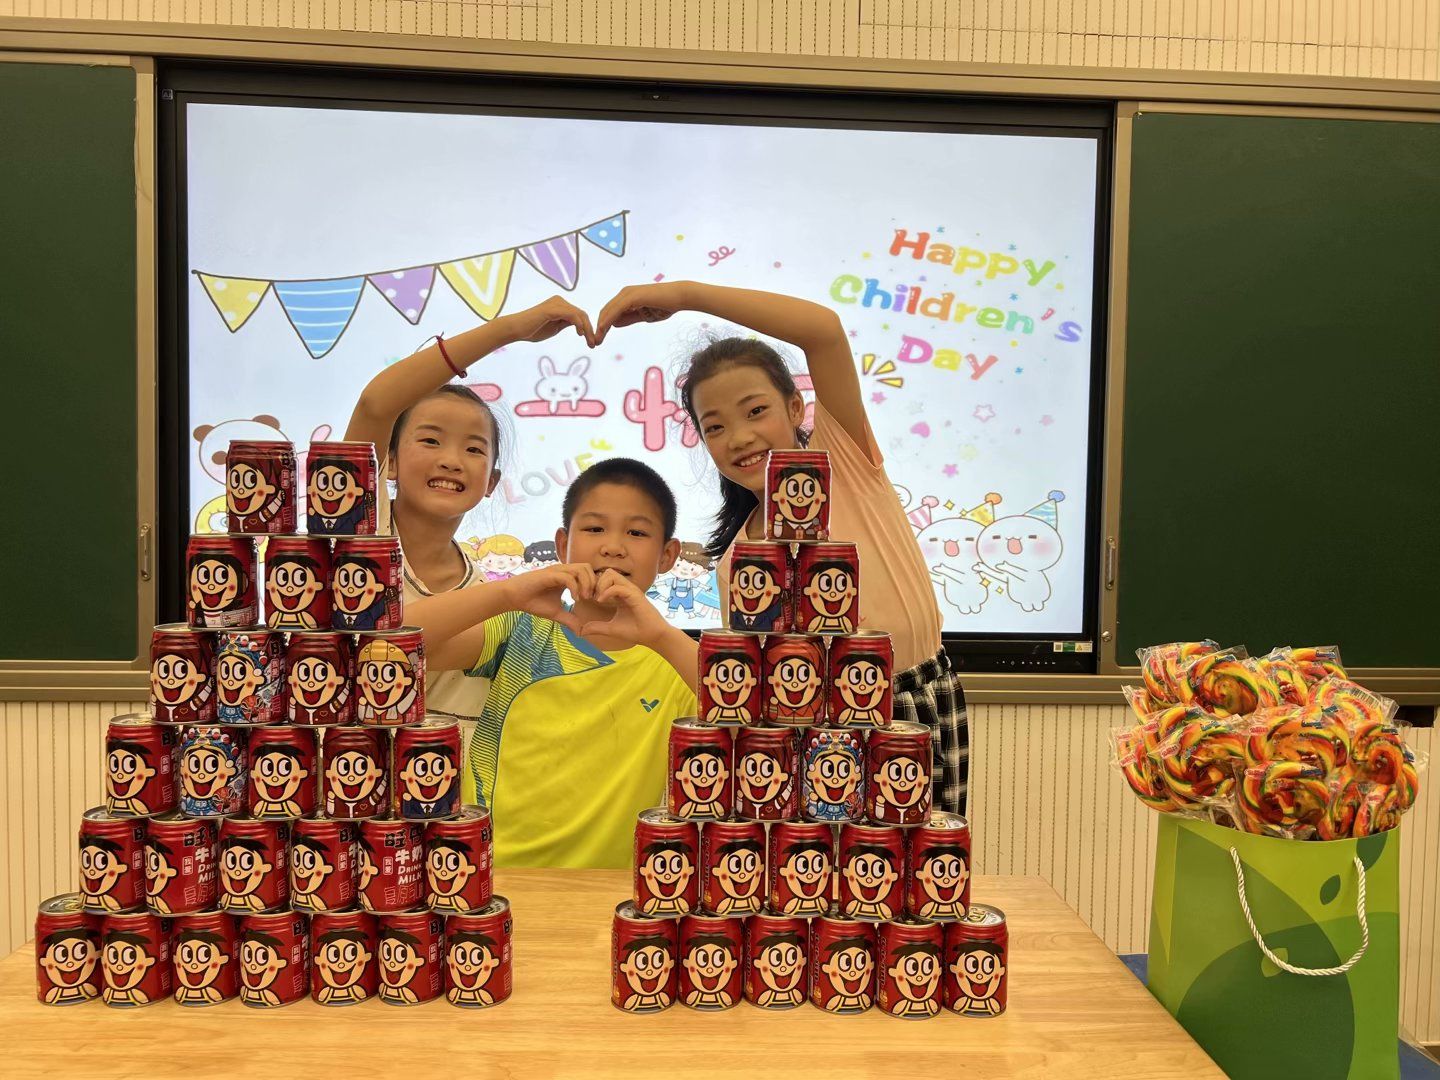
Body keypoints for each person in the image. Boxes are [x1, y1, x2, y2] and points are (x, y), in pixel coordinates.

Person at [596, 282, 968, 813]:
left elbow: (824, 332)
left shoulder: (842, 464)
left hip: (909, 709)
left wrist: (685, 295)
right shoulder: (738, 560)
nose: (738, 437)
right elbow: (750, 692)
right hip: (812, 737)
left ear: (795, 407)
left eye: (755, 411)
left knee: (918, 865)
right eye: (715, 427)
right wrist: (656, 634)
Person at [408, 458, 699, 868]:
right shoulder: (521, 629)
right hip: (489, 872)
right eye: (594, 528)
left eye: (636, 532)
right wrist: (506, 594)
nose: (613, 546)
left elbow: (752, 705)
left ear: (667, 555)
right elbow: (391, 643)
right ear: (563, 545)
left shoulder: (675, 658)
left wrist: (663, 636)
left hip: (609, 888)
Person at [343, 296, 596, 729]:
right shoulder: (361, 532)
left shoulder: (490, 598)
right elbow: (374, 406)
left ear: (491, 482)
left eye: (474, 449)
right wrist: (508, 329)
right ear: (389, 462)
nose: (451, 461)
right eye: (431, 440)